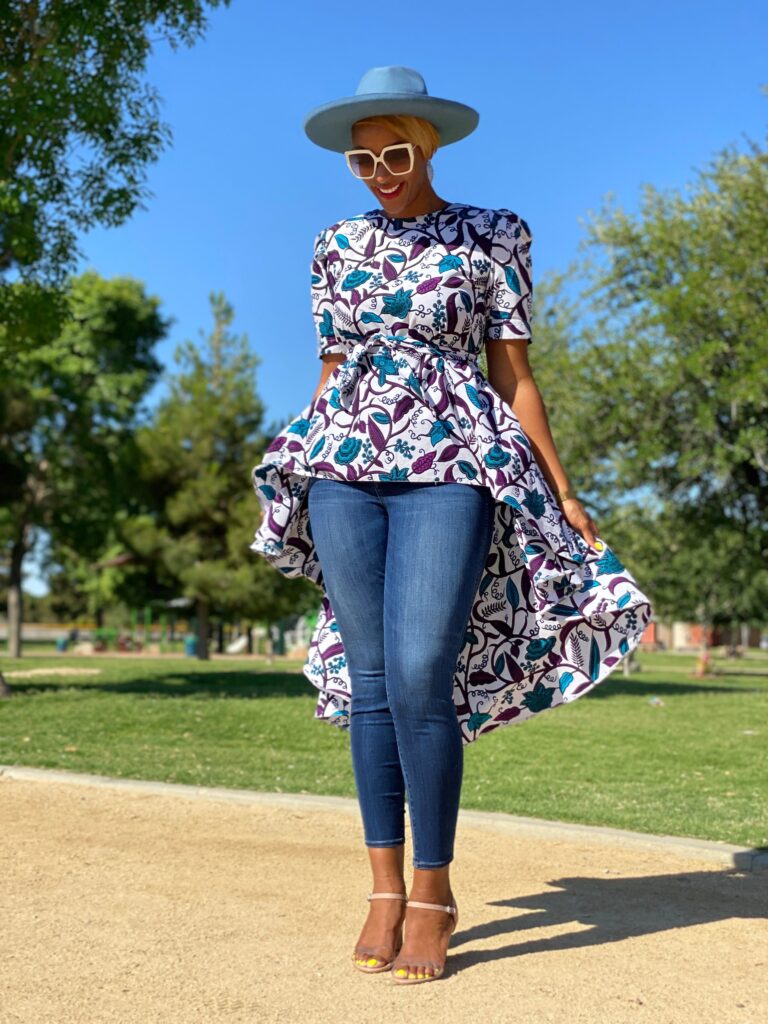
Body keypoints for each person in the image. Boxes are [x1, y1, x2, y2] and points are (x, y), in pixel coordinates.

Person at [250, 65, 654, 984]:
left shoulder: (492, 233)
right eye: (363, 160)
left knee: (422, 671)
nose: (380, 173)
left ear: (427, 147)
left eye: (395, 154)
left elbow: (514, 374)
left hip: (453, 462)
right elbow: (331, 371)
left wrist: (562, 488)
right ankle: (382, 890)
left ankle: (433, 892)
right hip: (342, 466)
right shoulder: (334, 245)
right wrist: (301, 453)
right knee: (370, 680)